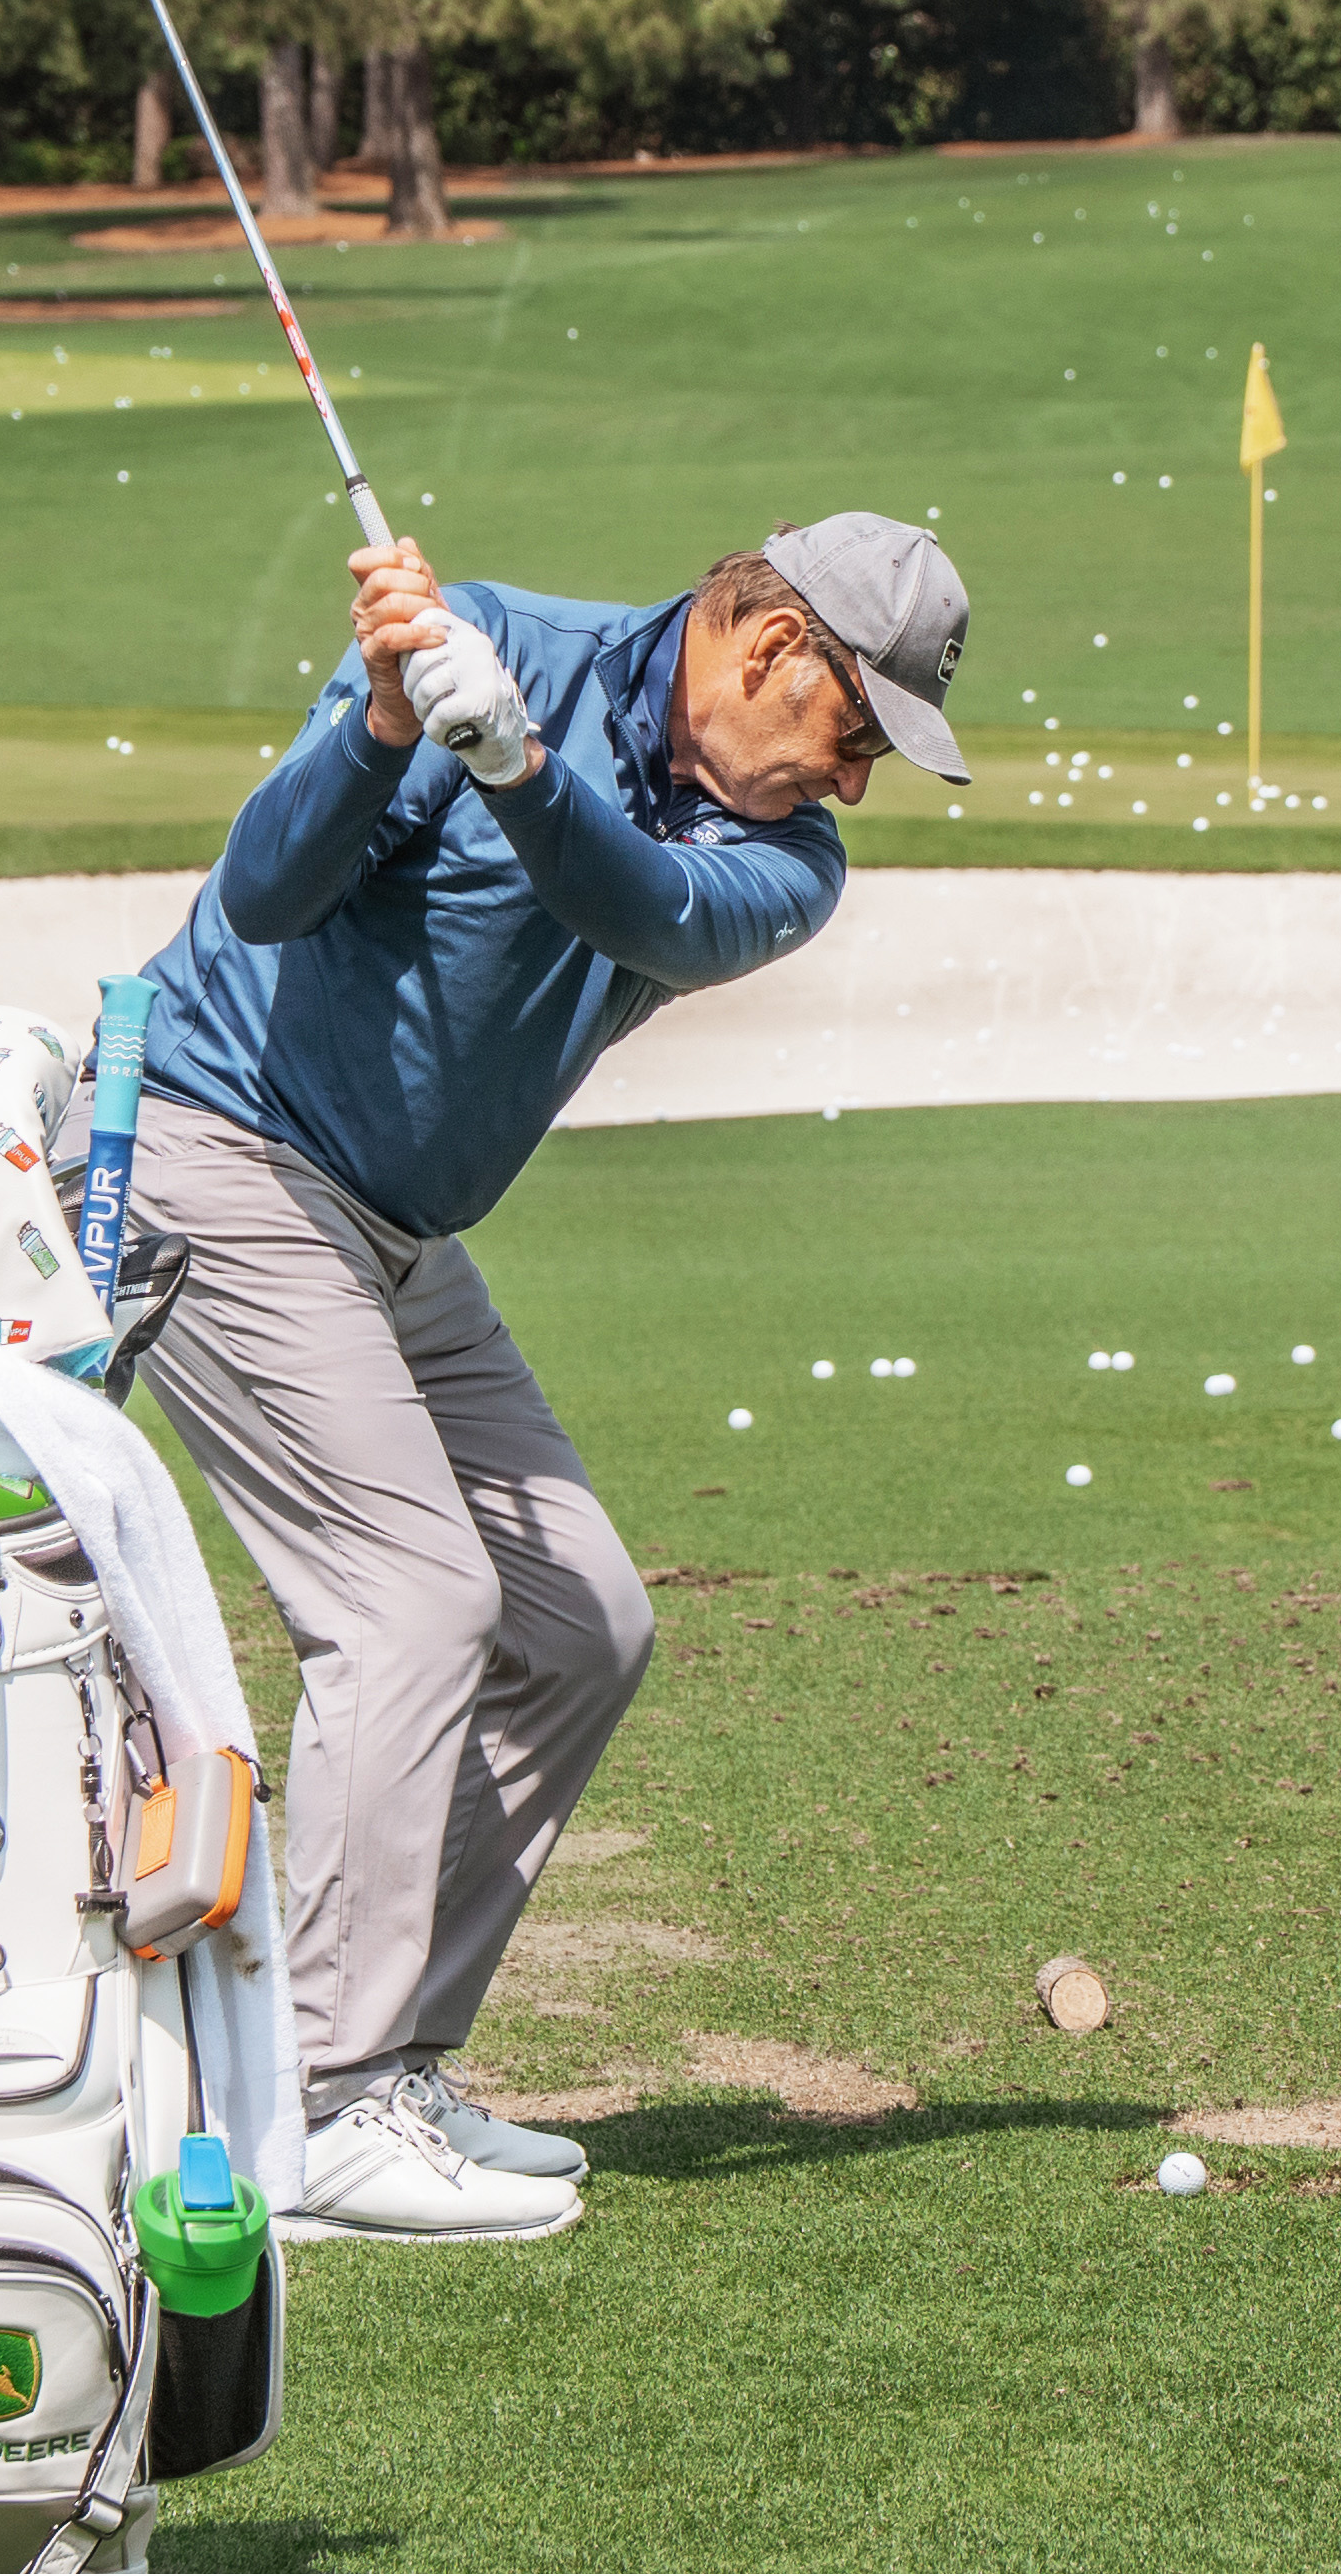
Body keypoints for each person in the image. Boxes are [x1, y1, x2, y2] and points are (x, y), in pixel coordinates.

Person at [123, 511, 976, 2241]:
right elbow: (263, 894)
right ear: (768, 650)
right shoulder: (488, 638)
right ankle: (312, 2106)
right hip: (218, 1153)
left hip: (403, 1237)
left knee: (584, 1625)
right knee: (414, 1605)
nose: (855, 782)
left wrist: (507, 763)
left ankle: (391, 2062)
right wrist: (381, 727)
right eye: (856, 731)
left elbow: (634, 897)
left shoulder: (784, 864)